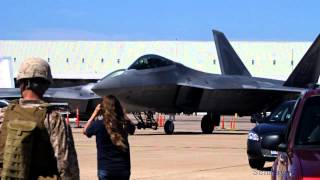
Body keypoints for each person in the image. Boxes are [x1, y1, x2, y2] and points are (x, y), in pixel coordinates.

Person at [0, 57, 80, 179]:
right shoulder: (53, 118)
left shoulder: (3, 114)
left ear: (21, 83)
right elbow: (65, 164)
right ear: (46, 84)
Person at [83, 95, 131, 180]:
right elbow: (132, 129)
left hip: (105, 168)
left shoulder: (99, 124)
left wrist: (94, 113)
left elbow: (85, 131)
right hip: (123, 168)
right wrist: (123, 113)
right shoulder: (124, 124)